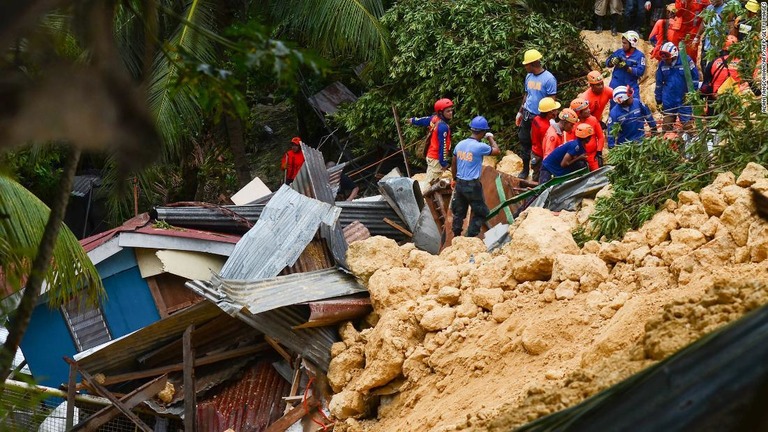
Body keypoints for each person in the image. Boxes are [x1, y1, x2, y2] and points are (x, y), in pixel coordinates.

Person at [450, 116, 500, 238]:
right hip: (472, 185)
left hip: (460, 183)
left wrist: (454, 179)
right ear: (482, 132)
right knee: (482, 212)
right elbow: (497, 151)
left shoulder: (460, 144)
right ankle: (470, 237)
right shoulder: (480, 147)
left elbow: (453, 162)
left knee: (459, 212)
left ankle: (456, 236)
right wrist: (490, 138)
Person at [516, 49, 558, 180]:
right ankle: (524, 169)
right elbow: (527, 95)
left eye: (526, 64)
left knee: (539, 146)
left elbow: (552, 99)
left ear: (533, 63)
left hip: (540, 117)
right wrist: (520, 112)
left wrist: (550, 118)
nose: (525, 67)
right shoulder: (529, 77)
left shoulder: (549, 79)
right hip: (527, 114)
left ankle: (540, 173)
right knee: (524, 141)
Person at [655, 42, 699, 143]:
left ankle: (691, 147)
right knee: (666, 127)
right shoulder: (662, 64)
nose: (665, 60)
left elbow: (695, 79)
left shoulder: (686, 60)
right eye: (663, 58)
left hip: (684, 99)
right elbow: (659, 83)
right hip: (669, 100)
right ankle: (667, 149)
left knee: (688, 126)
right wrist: (658, 100)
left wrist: (692, 94)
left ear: (674, 55)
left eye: (667, 57)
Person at [407, 98, 454, 185]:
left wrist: (413, 120)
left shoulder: (435, 119)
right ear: (441, 112)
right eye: (448, 111)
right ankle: (423, 197)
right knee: (430, 185)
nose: (451, 113)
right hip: (436, 158)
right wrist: (443, 163)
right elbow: (442, 146)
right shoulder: (443, 127)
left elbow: (423, 120)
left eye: (451, 110)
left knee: (432, 180)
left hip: (431, 156)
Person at [701, 36, 746, 114]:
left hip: (715, 97)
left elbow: (706, 82)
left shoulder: (714, 62)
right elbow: (750, 82)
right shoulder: (742, 63)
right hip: (734, 99)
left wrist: (701, 98)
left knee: (712, 123)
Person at [606, 31, 647, 105]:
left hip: (631, 86)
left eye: (625, 43)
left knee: (634, 106)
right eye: (622, 43)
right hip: (616, 84)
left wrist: (628, 68)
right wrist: (611, 62)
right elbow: (607, 63)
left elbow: (641, 71)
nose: (623, 45)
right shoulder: (619, 52)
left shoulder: (640, 56)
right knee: (614, 107)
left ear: (632, 44)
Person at [569, 98, 606, 170]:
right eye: (586, 109)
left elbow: (600, 137)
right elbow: (571, 143)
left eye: (588, 108)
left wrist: (599, 151)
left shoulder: (593, 120)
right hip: (580, 157)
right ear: (579, 113)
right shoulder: (572, 125)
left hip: (594, 155)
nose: (589, 110)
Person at [531, 97, 561, 182]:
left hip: (534, 151)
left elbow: (531, 133)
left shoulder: (536, 119)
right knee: (540, 178)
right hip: (541, 155)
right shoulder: (546, 128)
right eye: (555, 110)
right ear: (550, 112)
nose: (557, 111)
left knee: (536, 174)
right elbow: (547, 145)